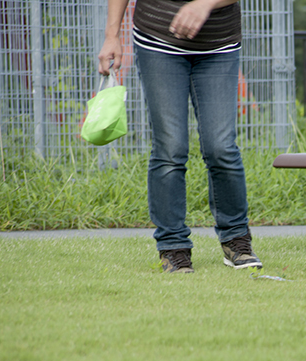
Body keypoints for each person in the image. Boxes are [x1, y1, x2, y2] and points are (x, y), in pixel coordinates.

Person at [98, 0, 262, 273]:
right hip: (158, 40)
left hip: (219, 44)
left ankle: (236, 240)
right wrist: (111, 35)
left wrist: (205, 4)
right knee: (170, 147)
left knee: (221, 146)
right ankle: (172, 247)